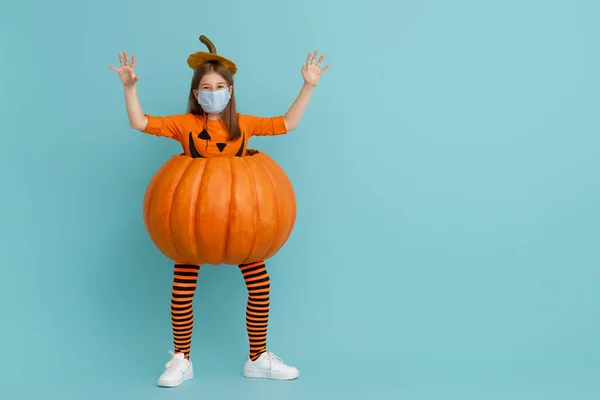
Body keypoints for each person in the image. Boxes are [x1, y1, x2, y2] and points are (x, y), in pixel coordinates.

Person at [109, 38, 329, 387]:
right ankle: (182, 359)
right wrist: (129, 88)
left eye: (220, 87)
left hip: (242, 224)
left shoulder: (244, 124)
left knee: (259, 284)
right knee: (182, 287)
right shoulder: (186, 126)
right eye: (206, 88)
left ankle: (257, 358)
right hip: (191, 224)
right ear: (197, 94)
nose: (214, 92)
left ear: (230, 90)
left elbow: (286, 123)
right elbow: (140, 122)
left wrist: (308, 85)